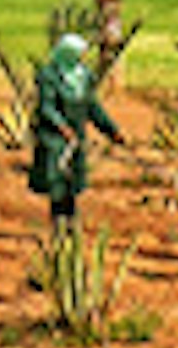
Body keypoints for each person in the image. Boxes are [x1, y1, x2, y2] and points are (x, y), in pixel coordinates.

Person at [26, 23, 121, 232]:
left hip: (76, 137)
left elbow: (92, 107)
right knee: (57, 181)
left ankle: (71, 222)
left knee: (72, 184)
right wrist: (61, 126)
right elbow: (46, 107)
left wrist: (111, 130)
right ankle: (58, 224)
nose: (82, 58)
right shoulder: (49, 76)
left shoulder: (83, 77)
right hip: (55, 139)